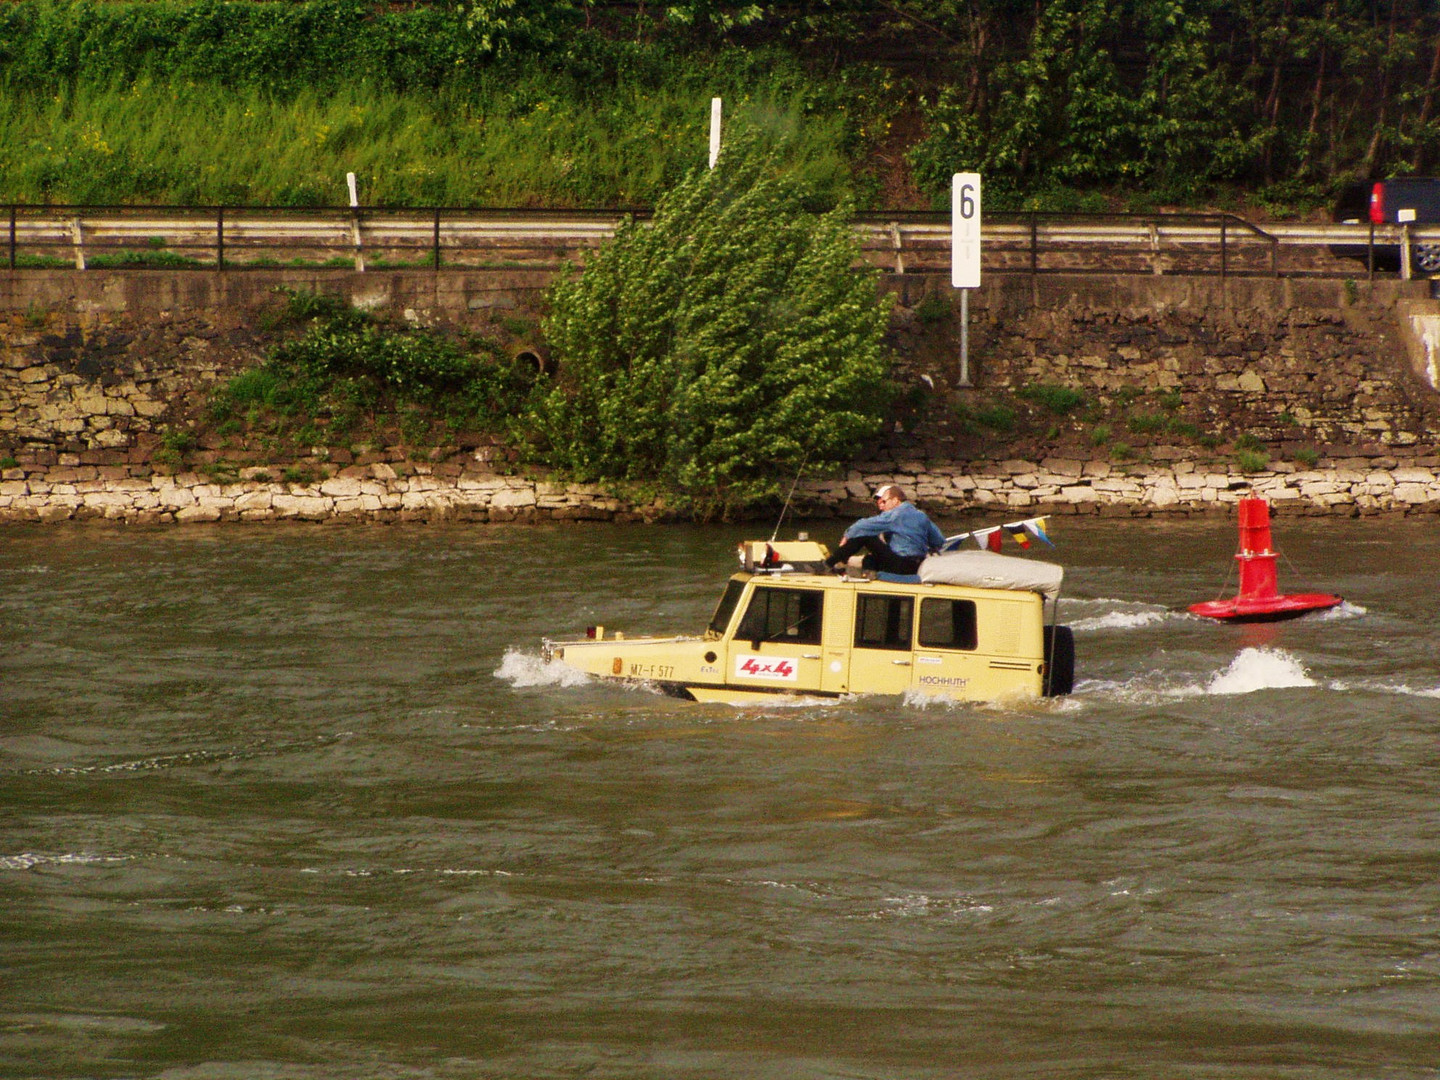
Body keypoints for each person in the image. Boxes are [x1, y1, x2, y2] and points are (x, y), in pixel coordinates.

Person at [826, 483, 945, 576]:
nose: (882, 505)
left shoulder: (895, 515)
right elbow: (939, 541)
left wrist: (847, 535)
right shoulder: (921, 515)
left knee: (865, 535)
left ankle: (828, 564)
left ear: (895, 501)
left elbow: (862, 525)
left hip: (900, 565)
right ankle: (868, 573)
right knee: (870, 559)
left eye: (884, 501)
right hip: (916, 566)